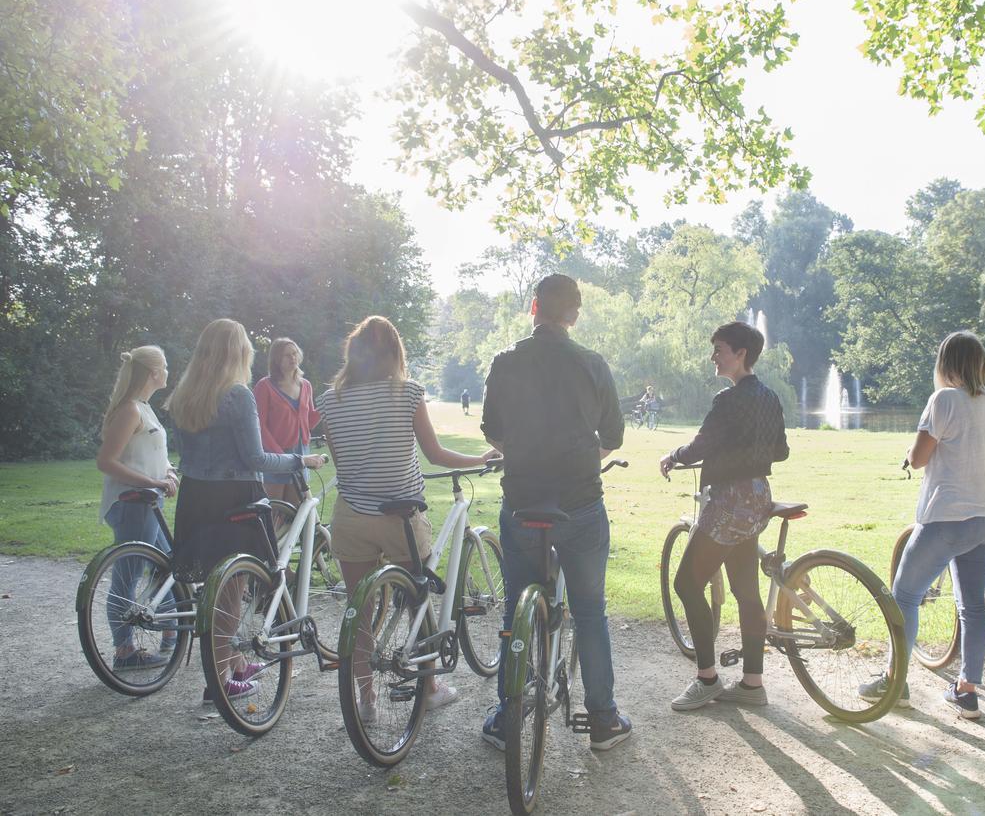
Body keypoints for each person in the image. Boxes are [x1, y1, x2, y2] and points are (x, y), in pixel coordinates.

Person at [317, 315, 498, 721]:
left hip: (351, 513)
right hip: (399, 512)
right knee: (418, 600)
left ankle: (366, 701)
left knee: (358, 609)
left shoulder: (330, 400)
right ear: (396, 353)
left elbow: (344, 460)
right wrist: (481, 459)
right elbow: (435, 455)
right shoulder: (408, 393)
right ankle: (429, 686)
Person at [479, 274, 631, 751]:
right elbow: (613, 437)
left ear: (533, 307)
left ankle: (509, 716)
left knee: (514, 608)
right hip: (580, 502)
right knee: (590, 611)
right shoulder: (592, 364)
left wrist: (525, 454)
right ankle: (603, 719)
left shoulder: (506, 361)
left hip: (523, 501)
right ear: (575, 315)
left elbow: (493, 433)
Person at [859, 331, 985, 720]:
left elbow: (919, 458)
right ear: (982, 364)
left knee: (904, 596)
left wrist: (910, 452)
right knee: (972, 606)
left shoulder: (943, 400)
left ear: (945, 366)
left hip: (948, 518)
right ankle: (967, 692)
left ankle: (894, 681)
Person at [167, 319, 328, 701]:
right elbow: (255, 457)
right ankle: (220, 681)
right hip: (234, 495)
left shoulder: (184, 394)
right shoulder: (238, 395)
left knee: (214, 584)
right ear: (239, 352)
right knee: (232, 590)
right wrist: (299, 462)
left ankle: (235, 661)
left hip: (195, 495)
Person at [658, 321, 789, 711]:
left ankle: (707, 679)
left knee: (685, 584)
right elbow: (780, 451)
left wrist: (672, 456)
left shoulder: (728, 400)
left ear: (740, 354)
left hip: (730, 500)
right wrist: (745, 449)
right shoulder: (769, 397)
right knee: (746, 591)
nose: (714, 356)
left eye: (719, 349)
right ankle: (752, 683)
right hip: (758, 497)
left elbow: (701, 446)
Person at [96, 345, 179, 670]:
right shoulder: (130, 410)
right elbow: (106, 462)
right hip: (132, 504)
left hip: (148, 503)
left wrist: (168, 472)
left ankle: (172, 632)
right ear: (155, 373)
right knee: (127, 577)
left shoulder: (145, 408)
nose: (169, 373)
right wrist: (153, 482)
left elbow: (154, 455)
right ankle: (125, 651)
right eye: (166, 367)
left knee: (169, 568)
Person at [253, 338, 320, 509]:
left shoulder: (306, 386)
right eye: (287, 355)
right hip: (275, 456)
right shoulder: (265, 386)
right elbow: (258, 426)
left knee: (296, 511)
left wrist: (326, 407)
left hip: (301, 455)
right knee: (275, 512)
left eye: (295, 353)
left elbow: (309, 422)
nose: (293, 358)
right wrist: (280, 456)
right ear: (277, 359)